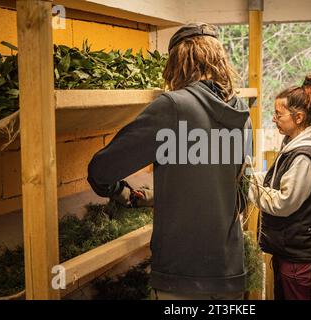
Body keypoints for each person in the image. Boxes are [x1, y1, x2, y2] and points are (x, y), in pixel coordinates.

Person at [87, 22, 252, 300]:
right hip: (229, 272)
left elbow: (100, 170)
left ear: (178, 61)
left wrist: (118, 191)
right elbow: (221, 189)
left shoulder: (173, 107)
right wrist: (150, 196)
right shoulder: (241, 115)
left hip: (183, 274)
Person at [248, 75, 311, 300]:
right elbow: (278, 180)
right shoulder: (292, 148)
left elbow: (283, 202)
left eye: (278, 114)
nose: (274, 119)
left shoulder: (304, 156)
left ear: (299, 116)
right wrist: (251, 175)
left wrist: (249, 186)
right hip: (291, 252)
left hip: (300, 258)